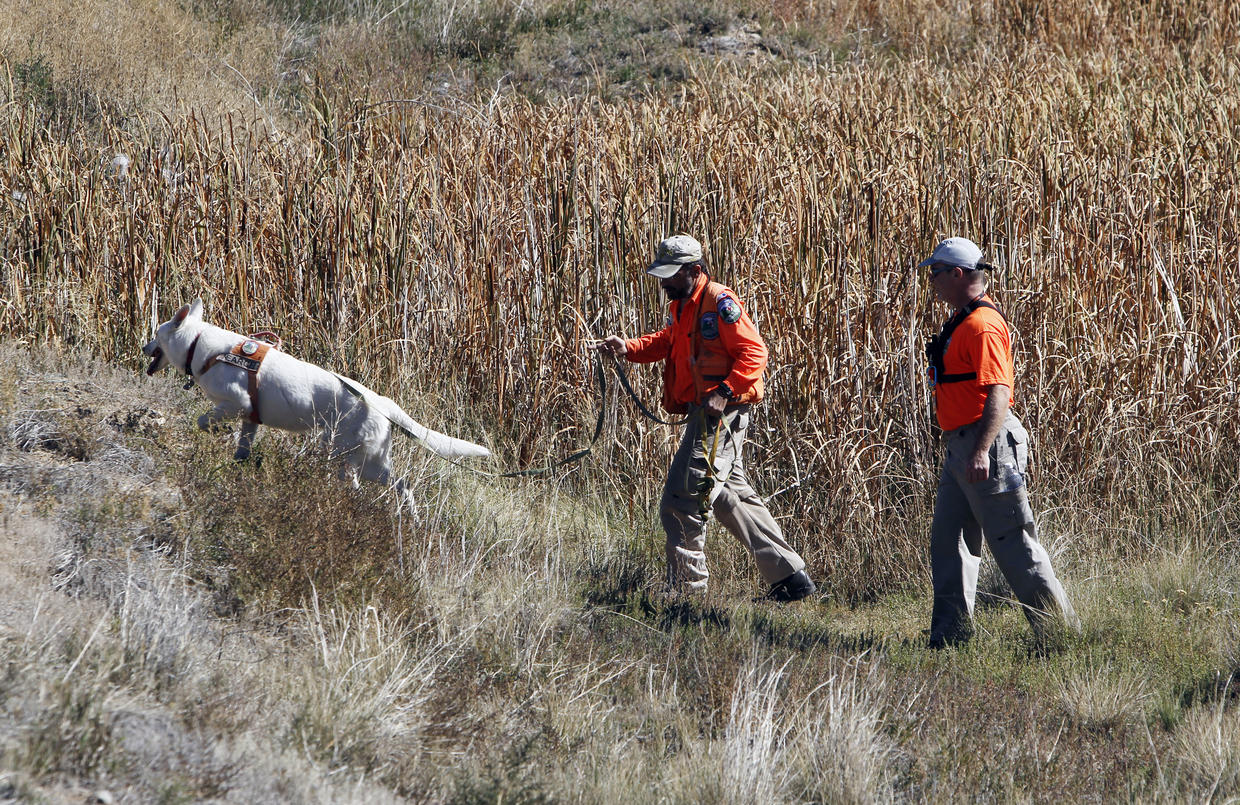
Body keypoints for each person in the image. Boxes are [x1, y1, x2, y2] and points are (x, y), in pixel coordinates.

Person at [597, 234, 816, 601]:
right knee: (730, 496)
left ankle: (687, 595)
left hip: (721, 414)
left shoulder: (720, 301)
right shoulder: (683, 305)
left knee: (682, 500)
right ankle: (791, 579)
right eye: (662, 275)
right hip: (707, 413)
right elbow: (669, 341)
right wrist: (628, 347)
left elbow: (755, 352)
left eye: (670, 275)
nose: (663, 282)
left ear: (694, 271)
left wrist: (725, 391)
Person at [920, 236, 1078, 647]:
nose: (932, 281)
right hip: (961, 446)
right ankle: (949, 637)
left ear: (957, 274)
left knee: (1013, 543)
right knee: (949, 543)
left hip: (984, 446)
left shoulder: (982, 325)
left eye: (936, 273)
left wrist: (980, 450)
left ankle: (1059, 635)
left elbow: (999, 392)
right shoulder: (962, 318)